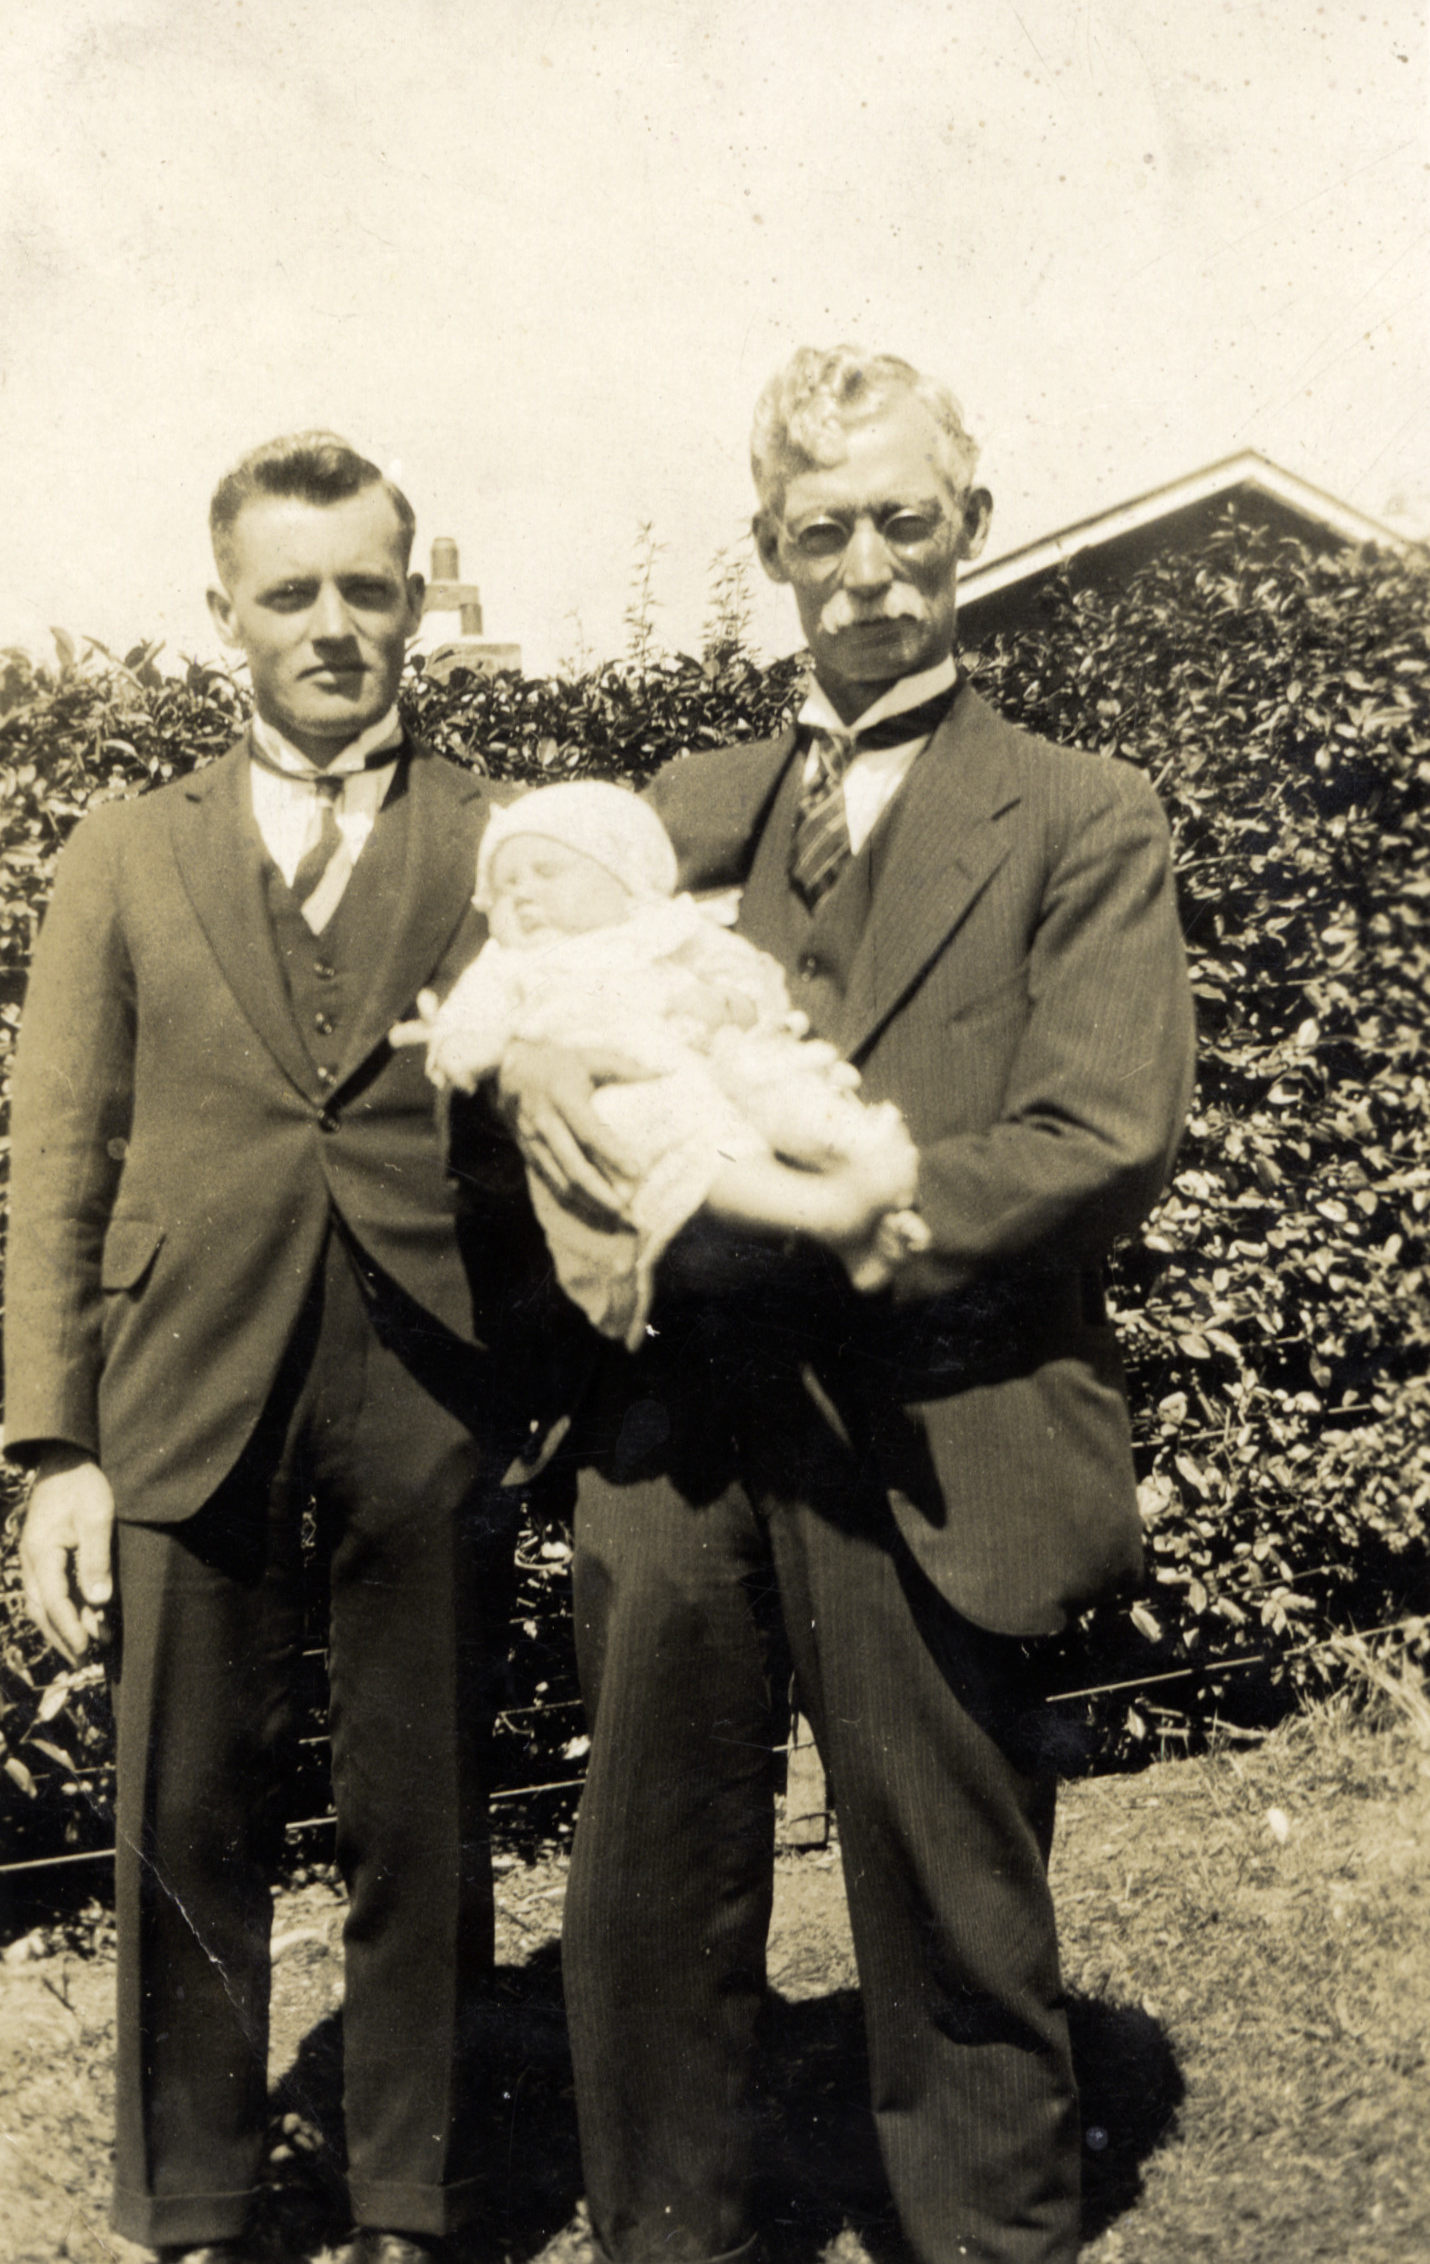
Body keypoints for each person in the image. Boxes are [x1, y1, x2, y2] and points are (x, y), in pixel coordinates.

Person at [514, 349, 1197, 2264]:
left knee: (955, 1902)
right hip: (686, 1445)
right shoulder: (680, 811)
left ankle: (988, 2232)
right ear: (771, 551)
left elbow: (1098, 1130)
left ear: (968, 527)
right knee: (650, 1897)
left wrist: (838, 1204)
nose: (874, 568)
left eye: (910, 521)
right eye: (829, 531)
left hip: (937, 1420)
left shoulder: (1081, 811)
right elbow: (545, 1032)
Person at [7, 434, 558, 2264]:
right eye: (292, 590)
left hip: (432, 1372)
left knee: (429, 1806)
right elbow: (59, 1161)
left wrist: (555, 1379)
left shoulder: (504, 842)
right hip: (185, 1382)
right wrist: (54, 1452)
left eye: (367, 587)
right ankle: (192, 2198)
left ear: (416, 597)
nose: (333, 624)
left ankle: (411, 2188)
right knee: (181, 1805)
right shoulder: (123, 849)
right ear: (223, 611)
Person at [396, 778, 930, 1346]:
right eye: (504, 887)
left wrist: (727, 1005)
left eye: (546, 873)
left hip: (707, 1047)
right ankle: (826, 1211)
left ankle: (862, 1166)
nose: (522, 894)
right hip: (617, 1080)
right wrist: (467, 1046)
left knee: (775, 1073)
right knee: (680, 1130)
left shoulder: (670, 927)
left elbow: (752, 979)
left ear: (621, 879)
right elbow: (467, 1031)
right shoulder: (507, 963)